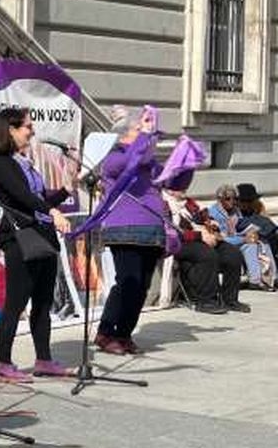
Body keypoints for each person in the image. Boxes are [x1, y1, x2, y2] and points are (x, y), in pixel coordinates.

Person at [0, 108, 74, 381]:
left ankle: (44, 359)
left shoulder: (23, 161)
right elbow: (23, 197)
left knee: (43, 301)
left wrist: (66, 190)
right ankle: (3, 362)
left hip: (42, 236)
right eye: (27, 126)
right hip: (20, 239)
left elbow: (40, 199)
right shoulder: (1, 163)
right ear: (10, 130)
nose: (32, 131)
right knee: (16, 301)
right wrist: (53, 212)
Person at [93, 107, 164, 356]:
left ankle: (123, 333)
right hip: (125, 228)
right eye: (140, 131)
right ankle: (106, 332)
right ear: (125, 135)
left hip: (151, 228)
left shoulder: (148, 160)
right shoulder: (115, 155)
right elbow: (133, 161)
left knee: (142, 285)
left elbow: (168, 179)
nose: (148, 138)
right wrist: (146, 135)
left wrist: (186, 162)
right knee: (127, 282)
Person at [164, 174, 244, 314]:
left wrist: (211, 224)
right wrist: (200, 236)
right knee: (206, 254)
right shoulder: (163, 204)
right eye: (180, 186)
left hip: (200, 238)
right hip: (177, 243)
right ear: (169, 188)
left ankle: (230, 299)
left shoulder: (188, 203)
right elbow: (170, 232)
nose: (184, 189)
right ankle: (207, 301)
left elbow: (203, 215)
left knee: (232, 253)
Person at [206, 185, 263, 302]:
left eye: (235, 198)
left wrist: (252, 231)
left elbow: (240, 226)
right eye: (228, 199)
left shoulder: (235, 211)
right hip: (221, 245)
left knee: (256, 243)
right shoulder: (212, 213)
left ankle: (258, 280)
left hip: (234, 239)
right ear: (220, 199)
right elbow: (220, 238)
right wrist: (242, 239)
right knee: (248, 243)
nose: (232, 201)